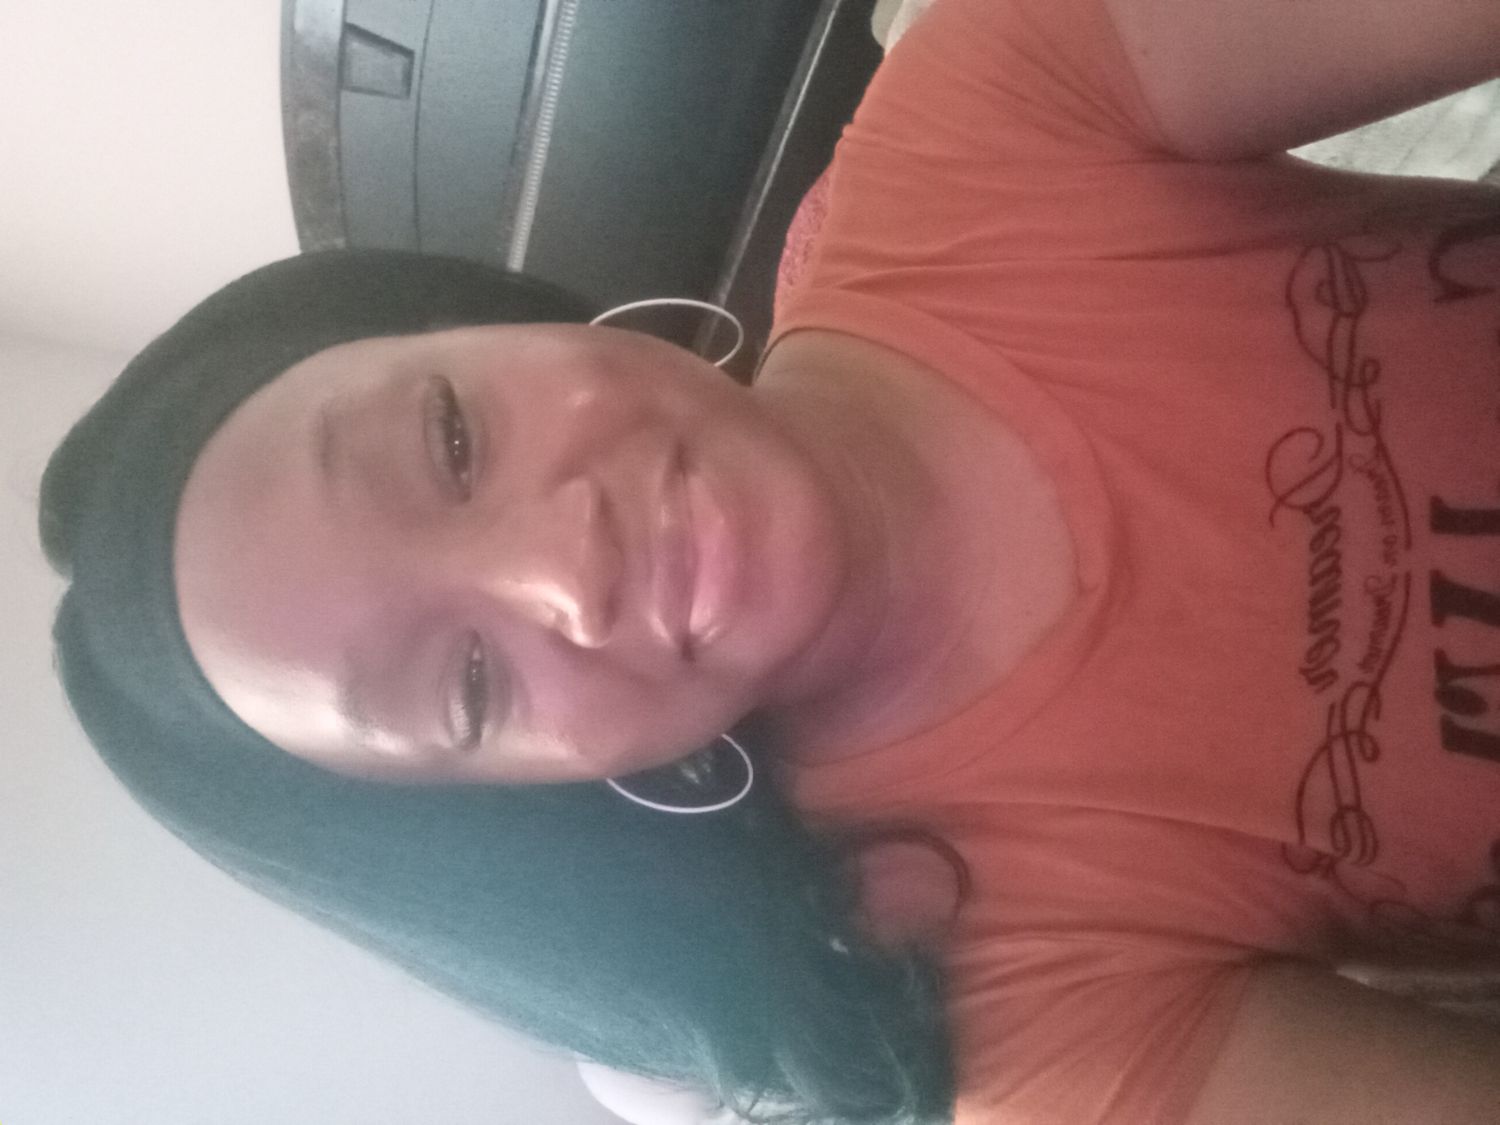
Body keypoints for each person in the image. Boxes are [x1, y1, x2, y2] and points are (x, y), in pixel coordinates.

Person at [37, 0, 1500, 1122]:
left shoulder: (988, 111)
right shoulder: (990, 994)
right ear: (533, 800)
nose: (568, 568)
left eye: (452, 440)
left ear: (483, 323)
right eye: (470, 683)